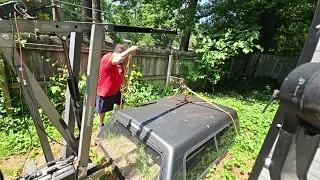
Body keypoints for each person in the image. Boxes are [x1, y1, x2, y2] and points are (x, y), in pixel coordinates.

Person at [96, 44, 138, 129]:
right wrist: (130, 50)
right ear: (119, 52)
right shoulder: (107, 58)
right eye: (124, 56)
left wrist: (127, 87)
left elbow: (121, 76)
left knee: (120, 103)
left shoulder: (119, 64)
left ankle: (117, 120)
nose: (124, 58)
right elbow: (117, 59)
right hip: (105, 91)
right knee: (102, 110)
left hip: (115, 90)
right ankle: (101, 125)